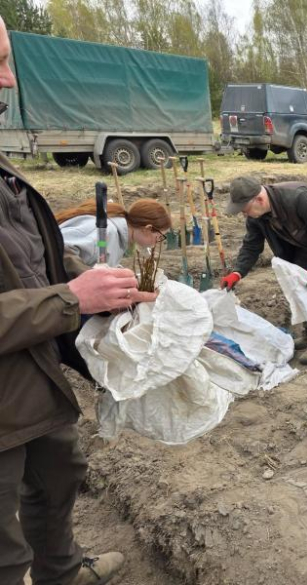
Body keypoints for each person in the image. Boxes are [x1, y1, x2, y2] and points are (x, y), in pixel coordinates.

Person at [0, 16, 156, 585]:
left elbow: (29, 256)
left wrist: (98, 290)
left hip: (30, 373)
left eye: (7, 61)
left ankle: (63, 573)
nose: (10, 80)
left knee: (59, 473)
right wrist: (71, 298)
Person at [221, 176, 307, 365]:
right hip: (305, 244)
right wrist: (237, 272)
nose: (244, 214)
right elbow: (251, 246)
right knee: (302, 287)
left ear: (259, 199)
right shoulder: (256, 216)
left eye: (245, 209)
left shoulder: (298, 197)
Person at [56, 198, 171, 266]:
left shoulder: (120, 237)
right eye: (159, 237)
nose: (157, 243)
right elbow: (58, 249)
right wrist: (87, 276)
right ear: (148, 229)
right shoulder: (104, 232)